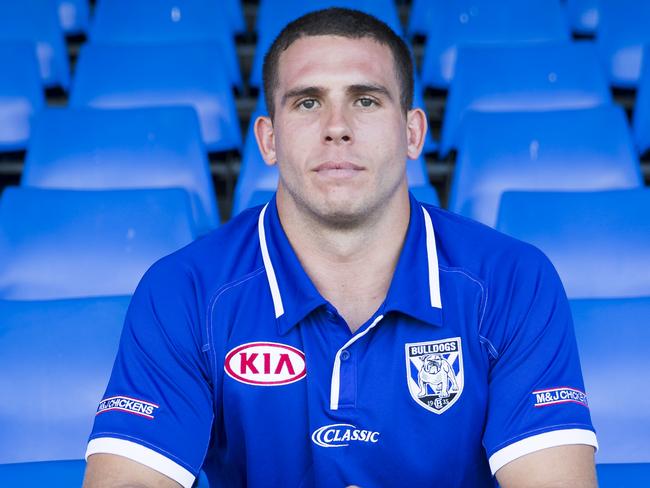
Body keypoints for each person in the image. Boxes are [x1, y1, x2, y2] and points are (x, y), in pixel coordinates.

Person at [83, 8, 598, 488]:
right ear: (268, 139)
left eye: (366, 100)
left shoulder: (512, 280)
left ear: (413, 132)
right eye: (308, 102)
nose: (337, 129)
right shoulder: (185, 289)